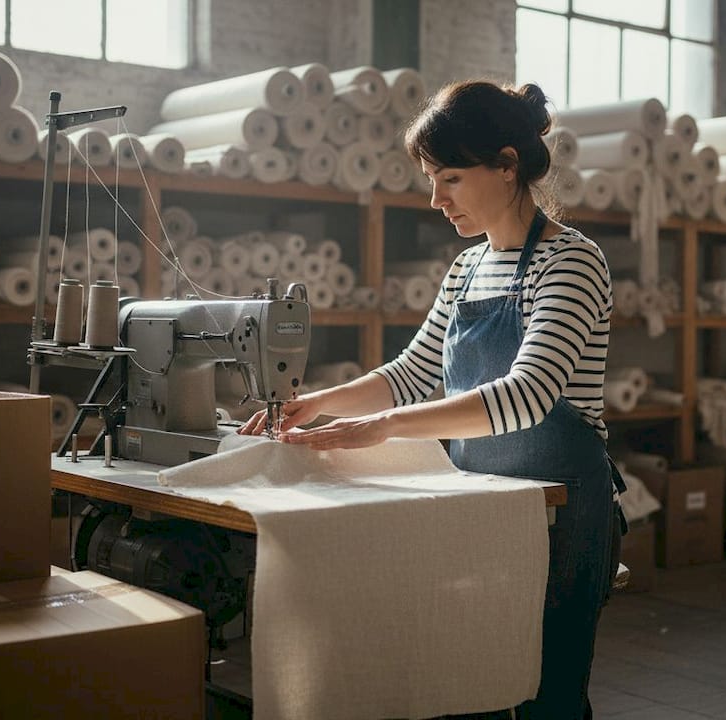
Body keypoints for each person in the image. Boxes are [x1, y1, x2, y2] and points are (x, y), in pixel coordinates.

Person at [240, 80, 622, 719]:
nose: (436, 199)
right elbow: (415, 372)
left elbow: (527, 396)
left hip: (562, 515)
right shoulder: (467, 268)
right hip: (479, 506)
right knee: (470, 682)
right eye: (430, 178)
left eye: (449, 178)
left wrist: (383, 428)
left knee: (546, 697)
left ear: (506, 166)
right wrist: (320, 403)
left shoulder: (571, 262)